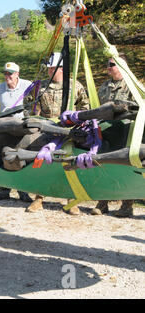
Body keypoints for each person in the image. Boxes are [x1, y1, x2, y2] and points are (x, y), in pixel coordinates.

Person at [26, 52, 90, 215]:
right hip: (46, 131)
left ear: (61, 69)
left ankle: (71, 200)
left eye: (53, 68)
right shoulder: (40, 87)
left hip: (70, 132)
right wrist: (35, 120)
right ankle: (39, 198)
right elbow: (30, 107)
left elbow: (85, 107)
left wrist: (78, 122)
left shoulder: (75, 85)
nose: (50, 71)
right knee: (41, 163)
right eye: (49, 68)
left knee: (69, 164)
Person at [90, 53, 135, 218]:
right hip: (107, 133)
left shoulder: (132, 86)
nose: (108, 68)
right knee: (104, 165)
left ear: (122, 66)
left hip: (126, 133)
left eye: (112, 64)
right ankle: (103, 203)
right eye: (108, 64)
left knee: (127, 167)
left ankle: (127, 205)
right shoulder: (104, 87)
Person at [0, 62, 33, 203]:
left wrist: (34, 116)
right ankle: (4, 191)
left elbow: (38, 101)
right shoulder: (0, 88)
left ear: (17, 74)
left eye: (10, 74)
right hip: (4, 130)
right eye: (5, 74)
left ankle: (23, 192)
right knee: (1, 158)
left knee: (21, 159)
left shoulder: (27, 85)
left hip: (22, 130)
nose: (7, 76)